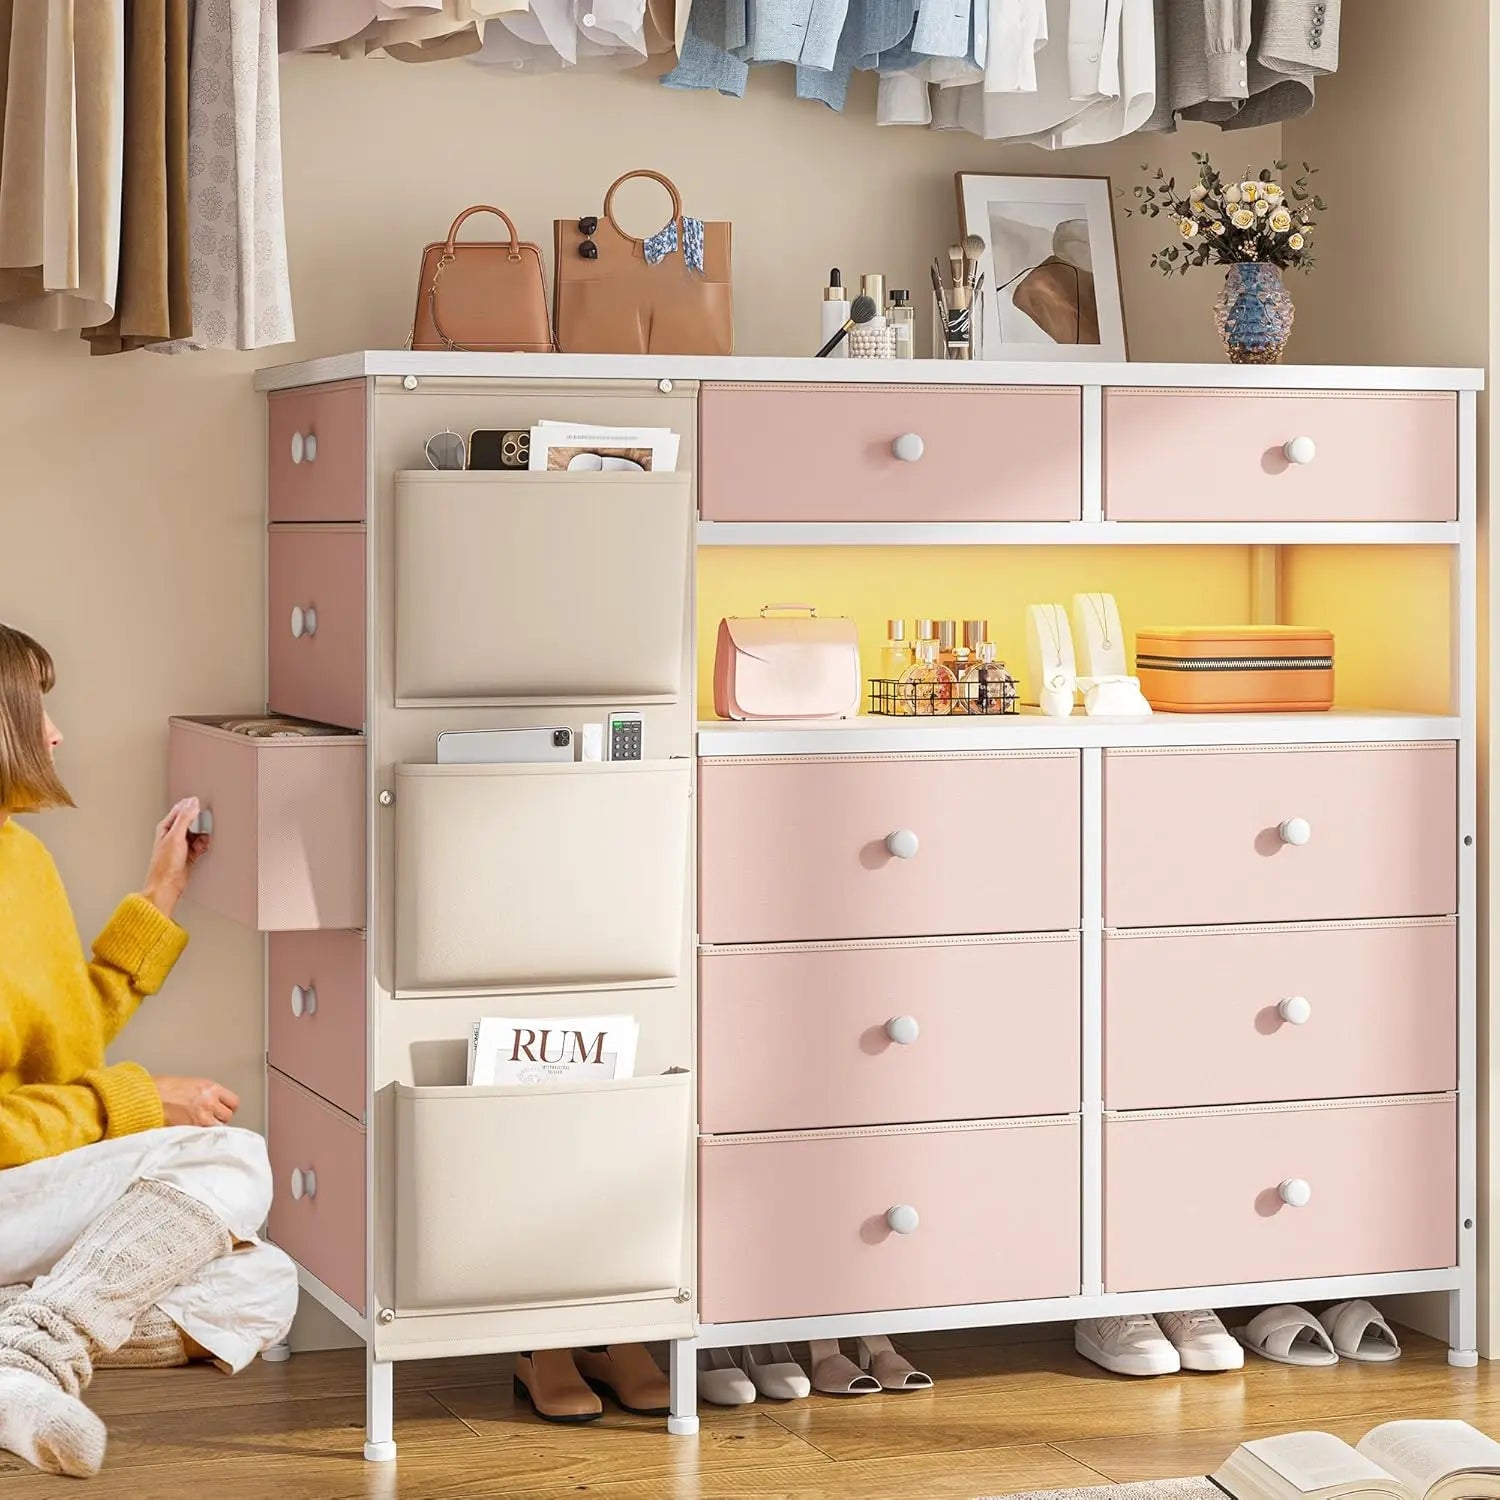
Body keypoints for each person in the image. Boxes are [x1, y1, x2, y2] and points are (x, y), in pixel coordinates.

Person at [0, 623, 298, 1477]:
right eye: (36, 711)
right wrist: (137, 1103)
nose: (55, 734)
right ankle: (27, 1359)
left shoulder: (22, 861)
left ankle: (19, 1354)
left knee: (260, 1288)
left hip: (24, 1194)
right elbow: (73, 1097)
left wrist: (159, 893)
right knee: (234, 1161)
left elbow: (69, 1044)